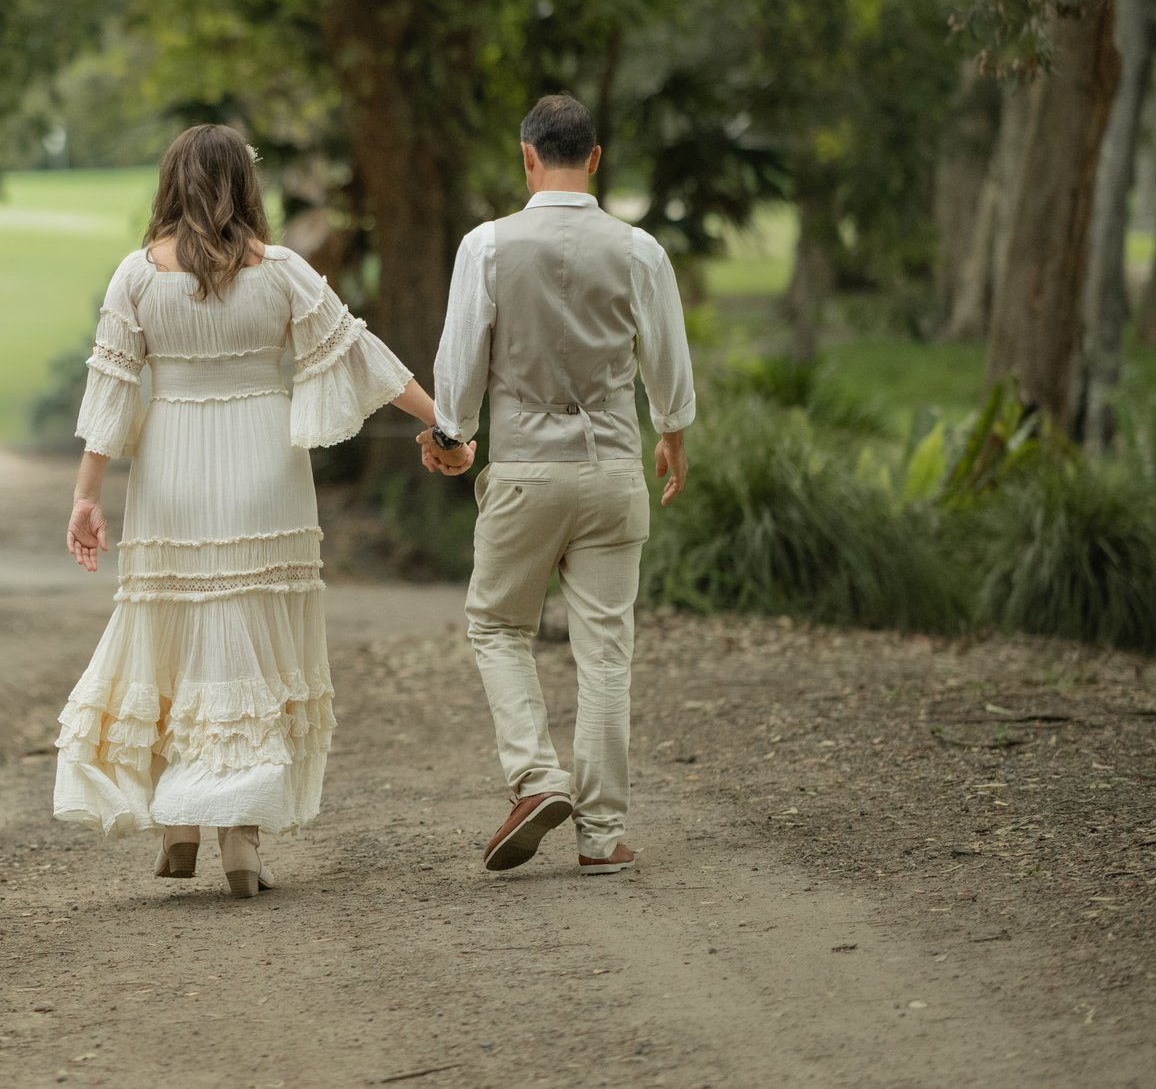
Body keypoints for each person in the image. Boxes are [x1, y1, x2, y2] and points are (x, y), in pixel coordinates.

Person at [52, 124, 439, 897]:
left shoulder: (136, 276)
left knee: (178, 625)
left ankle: (181, 825)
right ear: (246, 188)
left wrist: (87, 495)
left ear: (170, 186)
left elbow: (112, 391)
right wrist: (442, 419)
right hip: (265, 462)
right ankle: (240, 836)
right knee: (250, 636)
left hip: (175, 466)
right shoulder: (284, 271)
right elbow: (360, 353)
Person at [418, 93, 695, 876]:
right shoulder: (638, 250)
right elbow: (667, 358)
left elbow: (462, 356)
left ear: (527, 156)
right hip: (612, 468)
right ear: (596, 158)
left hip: (528, 470)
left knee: (498, 625)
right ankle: (601, 836)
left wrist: (453, 436)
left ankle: (538, 778)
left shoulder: (489, 246)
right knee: (606, 652)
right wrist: (672, 432)